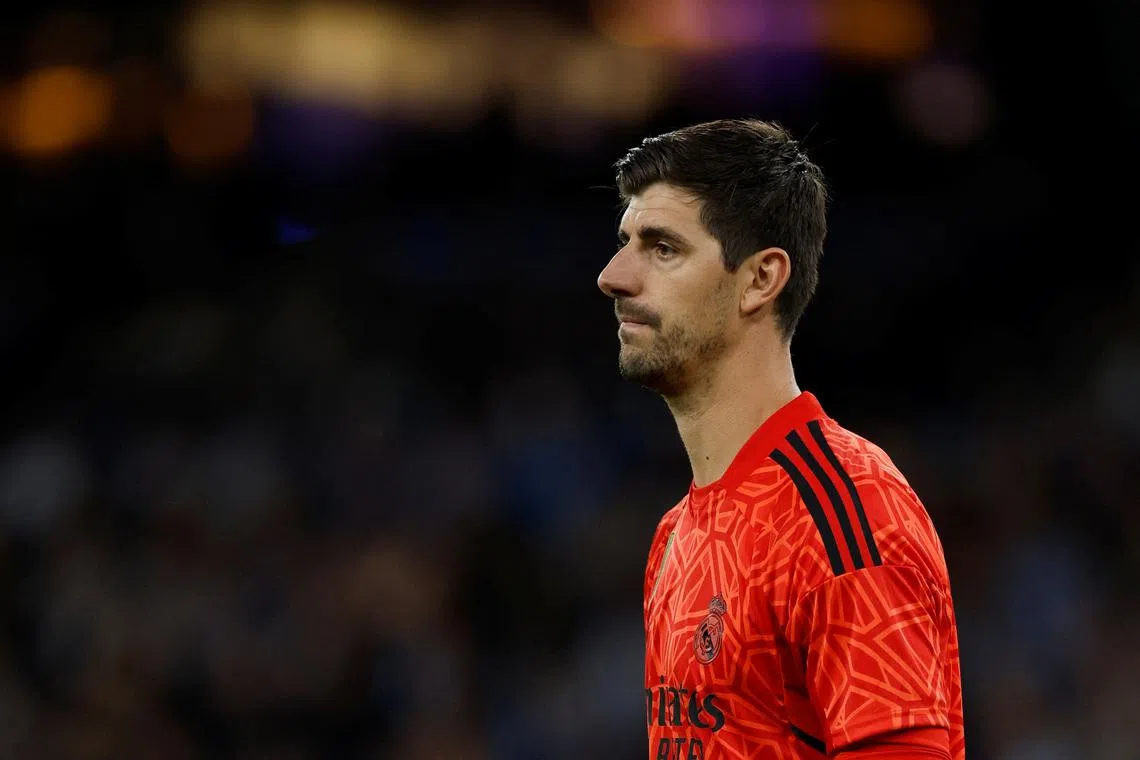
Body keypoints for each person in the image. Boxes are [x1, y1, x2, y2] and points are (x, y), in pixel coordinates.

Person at [597, 119, 965, 759]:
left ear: (761, 280)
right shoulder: (676, 535)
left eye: (663, 248)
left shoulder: (849, 513)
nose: (613, 275)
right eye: (625, 242)